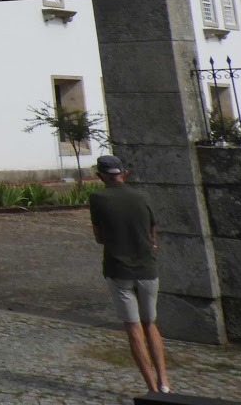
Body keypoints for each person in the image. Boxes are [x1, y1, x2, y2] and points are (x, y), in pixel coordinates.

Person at [88, 153, 170, 394]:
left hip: (118, 269)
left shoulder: (97, 197)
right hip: (147, 268)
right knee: (150, 324)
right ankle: (164, 381)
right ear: (124, 173)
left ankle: (151, 388)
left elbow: (98, 237)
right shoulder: (141, 196)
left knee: (133, 328)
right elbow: (153, 231)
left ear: (99, 176)